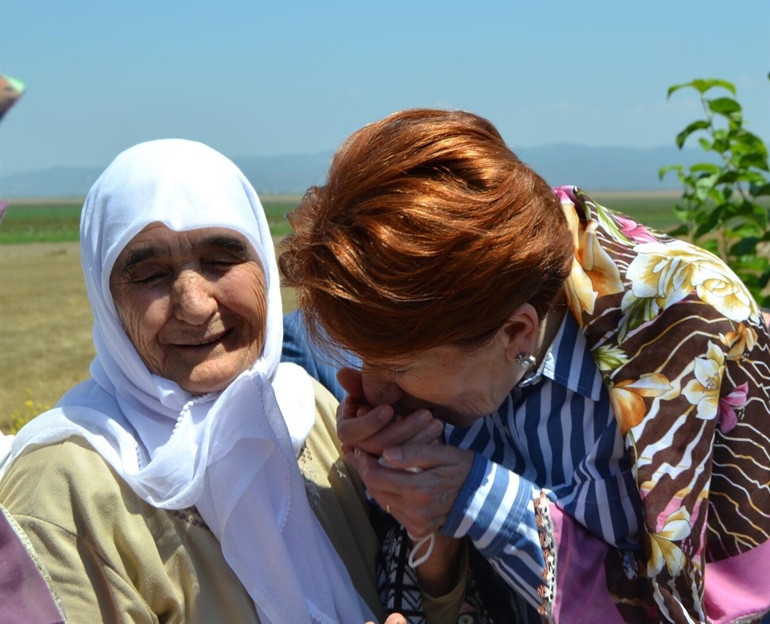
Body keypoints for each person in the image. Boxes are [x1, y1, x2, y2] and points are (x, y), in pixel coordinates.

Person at [278, 109, 770, 623]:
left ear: (516, 333)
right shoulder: (452, 326)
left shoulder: (690, 332)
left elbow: (708, 609)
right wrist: (406, 501)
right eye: (368, 360)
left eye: (398, 369)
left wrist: (474, 495)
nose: (375, 391)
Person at [0, 139, 414, 624]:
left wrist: (430, 533)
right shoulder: (61, 488)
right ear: (107, 303)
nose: (195, 305)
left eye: (221, 260)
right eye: (151, 274)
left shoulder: (304, 409)